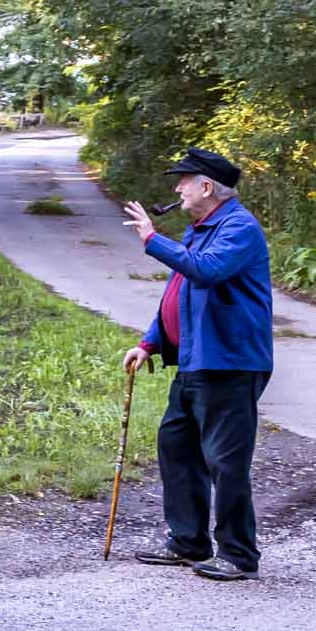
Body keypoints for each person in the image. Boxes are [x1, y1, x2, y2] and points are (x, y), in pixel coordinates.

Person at [118, 146, 275, 581]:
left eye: (183, 181)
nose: (177, 188)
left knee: (225, 460)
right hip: (194, 361)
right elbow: (179, 294)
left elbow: (205, 271)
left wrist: (153, 239)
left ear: (207, 187)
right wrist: (150, 343)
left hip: (229, 362)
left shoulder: (238, 228)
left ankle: (239, 556)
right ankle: (188, 542)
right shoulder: (200, 229)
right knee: (177, 446)